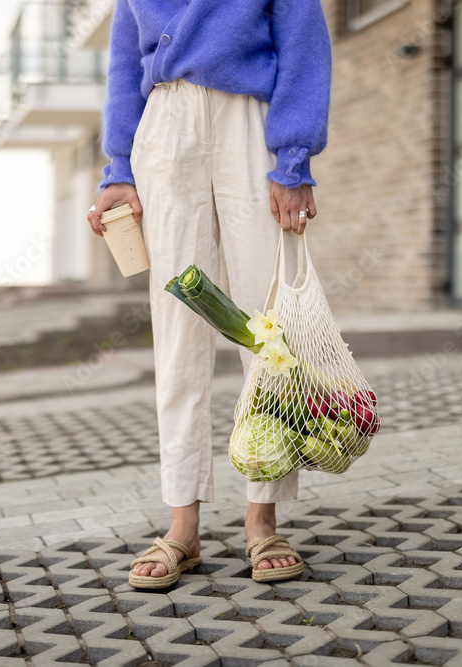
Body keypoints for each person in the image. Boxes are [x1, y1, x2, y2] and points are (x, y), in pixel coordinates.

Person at [86, 0, 332, 588]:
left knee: (268, 325)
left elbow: (303, 45)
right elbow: (124, 63)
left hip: (249, 120)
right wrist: (118, 166)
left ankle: (261, 515)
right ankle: (183, 524)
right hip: (164, 124)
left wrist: (293, 159)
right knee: (177, 329)